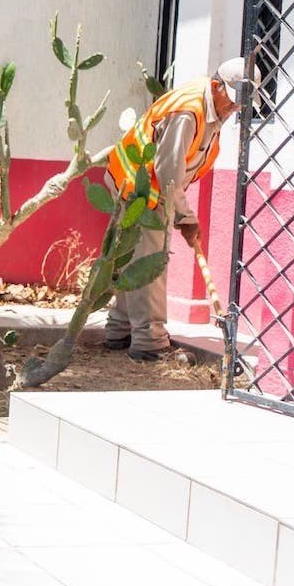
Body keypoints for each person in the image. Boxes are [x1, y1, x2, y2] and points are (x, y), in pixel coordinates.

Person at [105, 57, 251, 360]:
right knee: (150, 263)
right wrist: (186, 217)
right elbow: (168, 172)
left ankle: (120, 330)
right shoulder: (189, 112)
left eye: (242, 103)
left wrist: (182, 214)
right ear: (216, 86)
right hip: (141, 189)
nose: (236, 108)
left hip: (143, 186)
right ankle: (150, 342)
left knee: (131, 259)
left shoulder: (211, 107)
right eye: (233, 100)